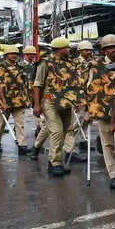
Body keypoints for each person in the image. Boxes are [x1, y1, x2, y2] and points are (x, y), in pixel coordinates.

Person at [33, 37, 79, 177]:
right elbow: (37, 85)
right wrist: (36, 105)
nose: (69, 50)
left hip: (66, 102)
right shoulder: (45, 64)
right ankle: (55, 163)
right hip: (49, 101)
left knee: (65, 130)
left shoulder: (70, 63)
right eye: (66, 47)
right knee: (56, 131)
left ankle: (53, 160)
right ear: (59, 49)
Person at [85, 35, 115, 189]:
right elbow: (90, 88)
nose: (113, 50)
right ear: (104, 50)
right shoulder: (95, 66)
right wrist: (88, 110)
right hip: (103, 109)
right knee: (107, 145)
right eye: (109, 47)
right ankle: (114, 175)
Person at [0, 44, 32, 155]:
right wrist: (1, 101)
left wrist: (27, 98)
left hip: (19, 99)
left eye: (16, 54)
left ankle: (22, 145)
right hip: (6, 99)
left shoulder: (20, 66)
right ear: (6, 55)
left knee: (20, 124)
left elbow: (24, 84)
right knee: (1, 124)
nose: (14, 56)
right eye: (11, 54)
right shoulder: (1, 66)